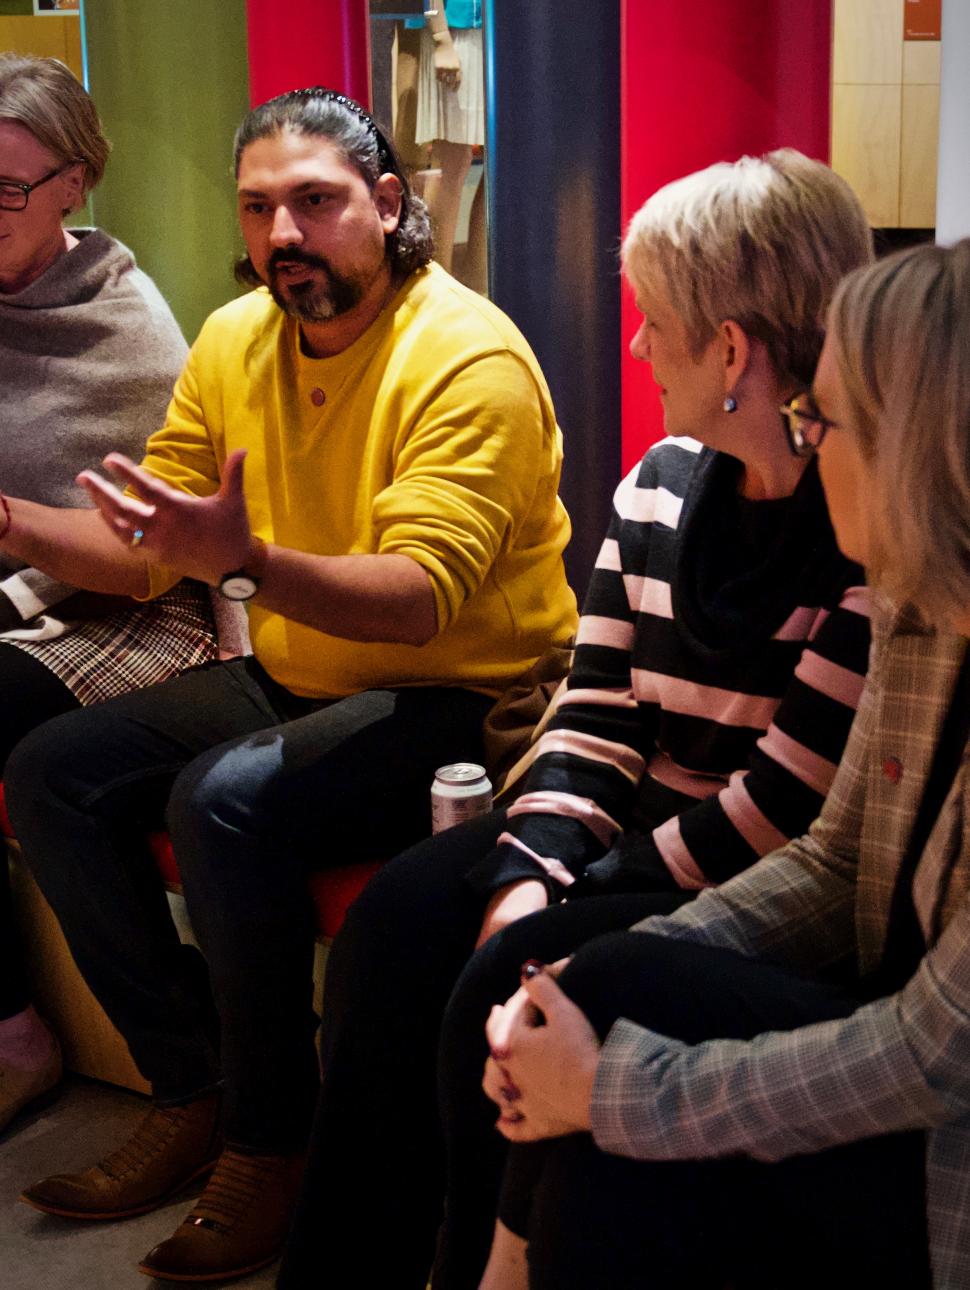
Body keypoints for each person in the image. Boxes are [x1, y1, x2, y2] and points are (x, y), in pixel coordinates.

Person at [4, 86, 576, 1282]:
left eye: (315, 202)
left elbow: (424, 594)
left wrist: (249, 561)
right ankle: (196, 1085)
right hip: (306, 666)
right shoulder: (233, 339)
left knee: (225, 797)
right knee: (55, 770)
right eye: (260, 207)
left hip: (472, 695)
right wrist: (10, 519)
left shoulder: (465, 353)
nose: (283, 235)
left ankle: (275, 1143)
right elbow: (148, 543)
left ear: (386, 204)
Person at [276, 149, 874, 1290]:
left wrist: (566, 897)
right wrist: (530, 861)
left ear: (733, 351)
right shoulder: (658, 480)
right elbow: (592, 711)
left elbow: (789, 809)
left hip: (736, 877)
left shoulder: (859, 523)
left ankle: (473, 1259)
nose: (638, 346)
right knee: (396, 922)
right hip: (624, 840)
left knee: (500, 984)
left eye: (655, 321)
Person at [476, 238, 970, 1289]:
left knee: (610, 1162)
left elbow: (937, 1053)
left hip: (952, 1149)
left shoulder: (876, 589)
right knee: (584, 979)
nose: (806, 443)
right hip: (895, 1041)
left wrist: (616, 1087)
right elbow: (837, 860)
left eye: (822, 422)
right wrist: (581, 980)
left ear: (916, 447)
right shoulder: (923, 612)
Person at [0, 54, 219, 1136]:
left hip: (130, 613)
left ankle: (16, 1033)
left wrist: (5, 528)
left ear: (76, 182)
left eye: (3, 188)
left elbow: (151, 561)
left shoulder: (129, 327)